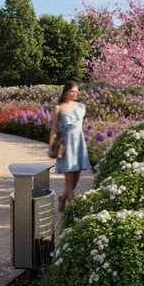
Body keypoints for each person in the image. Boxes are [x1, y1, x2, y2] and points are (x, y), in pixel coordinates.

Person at [50, 81, 91, 212]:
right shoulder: (59, 108)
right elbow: (54, 130)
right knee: (68, 181)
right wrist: (51, 146)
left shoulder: (81, 107)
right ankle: (74, 211)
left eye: (76, 91)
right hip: (65, 144)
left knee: (75, 179)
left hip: (78, 143)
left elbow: (80, 125)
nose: (75, 94)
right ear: (65, 92)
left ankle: (62, 199)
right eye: (72, 91)